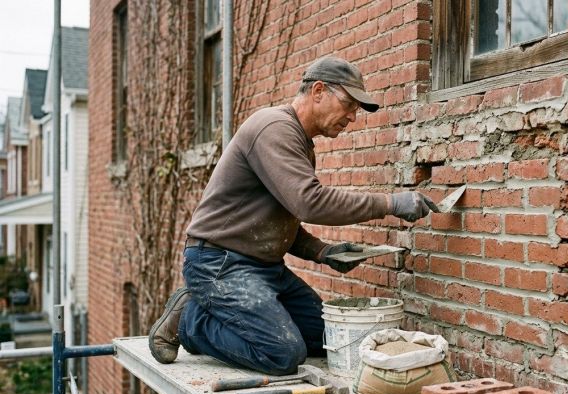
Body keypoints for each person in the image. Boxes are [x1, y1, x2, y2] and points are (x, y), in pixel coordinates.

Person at [147, 56, 438, 375]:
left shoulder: (299, 141)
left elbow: (275, 220)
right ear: (318, 91)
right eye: (349, 104)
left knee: (327, 339)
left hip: (263, 267)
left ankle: (214, 311)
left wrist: (323, 252)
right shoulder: (274, 128)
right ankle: (191, 319)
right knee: (282, 353)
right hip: (219, 263)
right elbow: (308, 203)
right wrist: (391, 203)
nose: (353, 117)